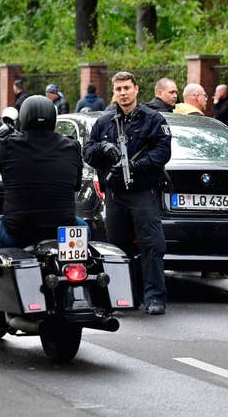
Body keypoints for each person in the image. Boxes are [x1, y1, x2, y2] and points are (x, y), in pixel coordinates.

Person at [0, 95, 84, 313]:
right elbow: (76, 184)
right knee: (84, 231)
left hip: (19, 229)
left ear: (22, 118)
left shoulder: (8, 144)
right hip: (63, 227)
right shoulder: (71, 146)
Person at [82, 71, 171, 315]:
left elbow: (162, 152)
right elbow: (87, 152)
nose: (123, 93)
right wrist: (103, 146)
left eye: (127, 88)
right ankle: (122, 297)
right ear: (114, 92)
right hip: (115, 194)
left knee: (152, 245)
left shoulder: (153, 119)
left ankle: (154, 298)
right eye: (119, 89)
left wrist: (136, 166)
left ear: (136, 89)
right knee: (117, 248)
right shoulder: (104, 122)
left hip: (143, 191)